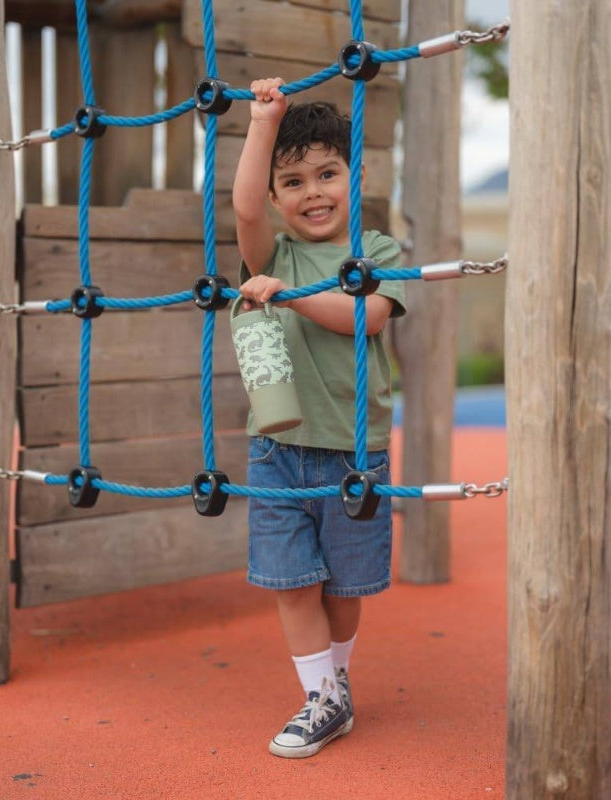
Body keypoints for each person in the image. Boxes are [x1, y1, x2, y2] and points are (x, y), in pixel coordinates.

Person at [232, 77, 407, 759]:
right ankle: (322, 697)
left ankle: (334, 688)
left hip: (352, 449)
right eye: (294, 181)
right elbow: (242, 205)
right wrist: (262, 123)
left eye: (327, 174)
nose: (313, 192)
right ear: (277, 199)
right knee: (291, 579)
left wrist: (293, 299)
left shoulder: (380, 254)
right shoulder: (274, 254)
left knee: (342, 584)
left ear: (354, 177)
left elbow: (366, 318)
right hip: (278, 450)